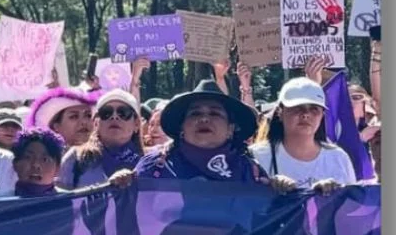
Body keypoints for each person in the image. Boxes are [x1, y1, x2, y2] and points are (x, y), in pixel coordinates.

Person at [119, 80, 294, 191]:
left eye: (215, 113)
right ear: (181, 127)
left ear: (230, 129)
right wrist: (119, 186)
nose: (204, 118)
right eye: (195, 113)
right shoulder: (154, 167)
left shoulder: (250, 172)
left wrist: (281, 190)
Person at [250, 77, 354, 191]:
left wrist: (330, 197)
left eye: (314, 109)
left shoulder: (338, 158)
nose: (305, 114)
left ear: (322, 115)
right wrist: (269, 189)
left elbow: (355, 205)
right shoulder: (256, 157)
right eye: (297, 108)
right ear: (280, 112)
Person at [58, 89, 144, 189]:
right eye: (106, 112)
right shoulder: (76, 158)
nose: (114, 117)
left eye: (123, 112)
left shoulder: (149, 162)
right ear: (96, 123)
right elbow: (59, 199)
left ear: (136, 124)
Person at [28, 87, 97, 147]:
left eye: (88, 116)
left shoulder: (104, 153)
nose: (84, 122)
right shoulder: (51, 159)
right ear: (56, 127)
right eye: (74, 116)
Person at [12, 128, 68, 198]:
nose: (36, 165)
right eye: (28, 157)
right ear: (15, 164)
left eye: (44, 159)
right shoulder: (0, 203)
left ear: (57, 168)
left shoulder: (72, 202)